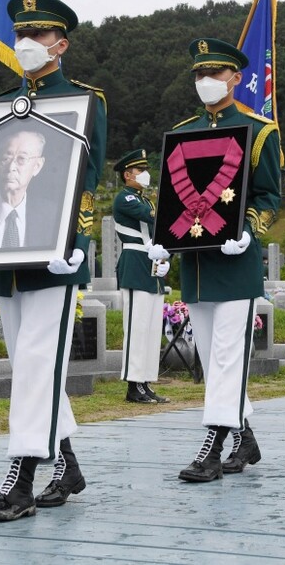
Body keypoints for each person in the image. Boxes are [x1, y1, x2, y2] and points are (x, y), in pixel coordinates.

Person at [0, 0, 106, 519]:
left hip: (53, 258)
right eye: (21, 35)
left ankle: (20, 480)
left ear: (60, 44)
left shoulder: (85, 102)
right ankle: (66, 462)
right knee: (30, 368)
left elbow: (87, 182)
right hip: (8, 257)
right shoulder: (0, 105)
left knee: (39, 365)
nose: (27, 44)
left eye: (38, 36)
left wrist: (77, 243)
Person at [171, 38, 280, 482]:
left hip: (235, 263)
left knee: (227, 356)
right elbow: (173, 196)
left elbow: (269, 197)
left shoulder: (259, 132)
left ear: (236, 77)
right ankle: (245, 437)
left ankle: (212, 446)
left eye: (215, 73)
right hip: (196, 264)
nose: (206, 82)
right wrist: (165, 238)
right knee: (212, 355)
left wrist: (248, 229)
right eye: (199, 74)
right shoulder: (183, 132)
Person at [112, 148, 171, 404]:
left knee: (149, 328)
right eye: (140, 171)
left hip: (150, 265)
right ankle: (132, 385)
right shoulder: (125, 198)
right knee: (136, 328)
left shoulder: (145, 199)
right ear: (128, 174)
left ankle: (145, 382)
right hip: (135, 263)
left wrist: (164, 256)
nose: (145, 175)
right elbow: (154, 217)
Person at [0, 129, 57, 249]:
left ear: (37, 166)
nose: (11, 167)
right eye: (5, 159)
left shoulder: (54, 217)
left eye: (21, 159)